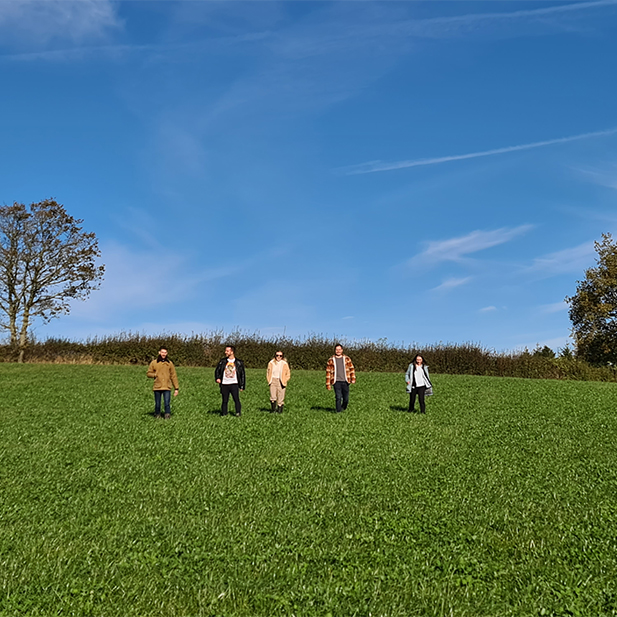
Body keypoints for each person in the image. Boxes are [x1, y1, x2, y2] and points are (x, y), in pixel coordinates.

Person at [146, 346, 179, 419]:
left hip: (167, 386)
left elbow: (173, 375)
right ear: (159, 352)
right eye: (162, 352)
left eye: (165, 352)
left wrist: (176, 388)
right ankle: (157, 415)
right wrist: (155, 375)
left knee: (167, 403)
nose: (163, 354)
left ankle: (167, 415)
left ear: (167, 353)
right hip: (157, 386)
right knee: (157, 403)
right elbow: (148, 373)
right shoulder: (154, 363)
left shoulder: (170, 363)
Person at [215, 345, 246, 416]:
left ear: (232, 352)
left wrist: (242, 386)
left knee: (236, 400)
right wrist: (217, 378)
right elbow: (217, 371)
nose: (225, 352)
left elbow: (242, 375)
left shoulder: (239, 362)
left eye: (227, 351)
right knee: (224, 400)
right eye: (225, 350)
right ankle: (224, 413)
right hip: (224, 384)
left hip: (234, 384)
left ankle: (238, 412)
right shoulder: (222, 361)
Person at [325, 344, 356, 413]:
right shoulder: (331, 360)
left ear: (342, 350)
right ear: (335, 351)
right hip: (336, 381)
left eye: (339, 349)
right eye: (337, 349)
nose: (338, 351)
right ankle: (338, 411)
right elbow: (328, 372)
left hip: (345, 381)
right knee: (338, 397)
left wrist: (353, 378)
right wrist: (328, 384)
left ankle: (343, 407)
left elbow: (351, 369)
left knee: (346, 398)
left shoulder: (347, 359)